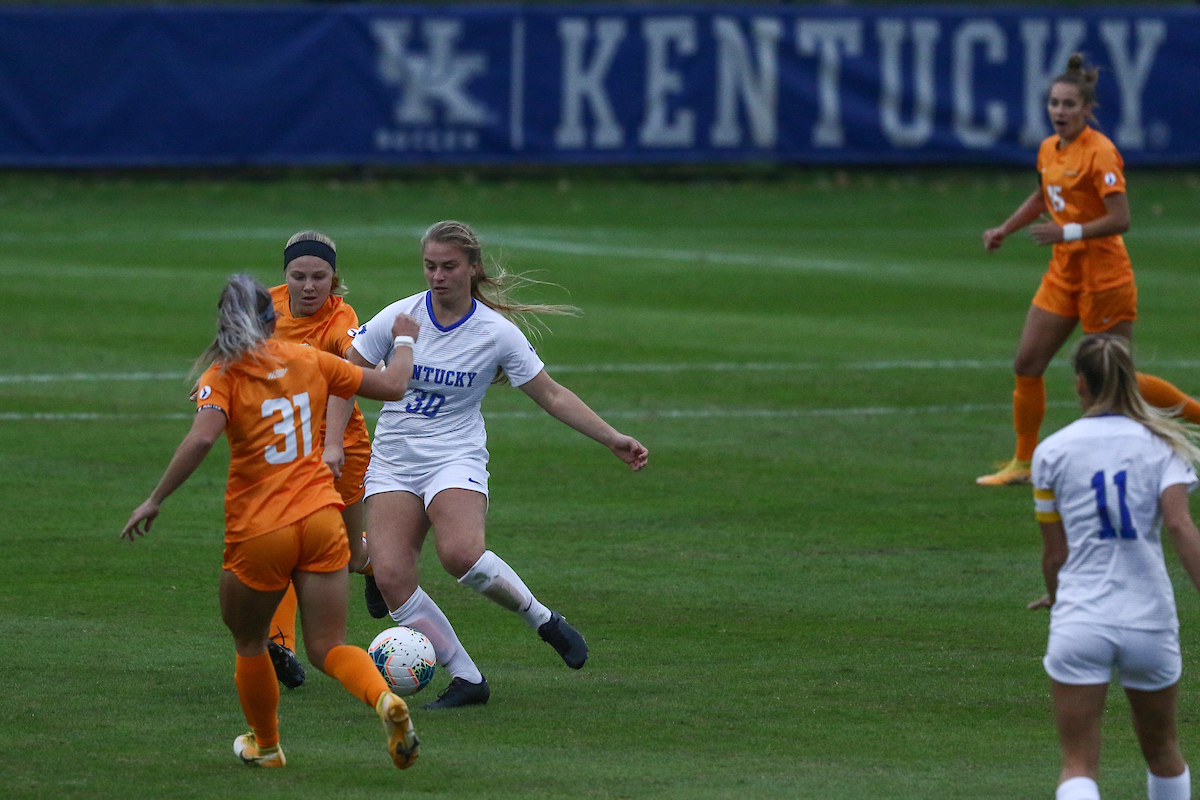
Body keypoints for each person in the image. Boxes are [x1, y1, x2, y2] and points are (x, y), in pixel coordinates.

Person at [325, 220, 648, 710]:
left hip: (454, 456)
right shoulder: (400, 317)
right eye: (430, 266)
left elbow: (553, 394)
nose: (437, 276)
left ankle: (544, 620)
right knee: (390, 576)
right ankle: (467, 678)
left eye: (449, 266)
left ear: (473, 268)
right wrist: (332, 446)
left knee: (461, 553)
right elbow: (344, 376)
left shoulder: (495, 332)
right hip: (394, 461)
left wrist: (612, 438)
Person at [121, 274, 421, 769]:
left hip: (261, 529)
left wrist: (154, 499)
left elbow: (199, 441)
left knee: (249, 641)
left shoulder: (222, 375)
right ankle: (385, 700)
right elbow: (392, 385)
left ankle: (266, 747)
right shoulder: (307, 358)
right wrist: (405, 338)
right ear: (271, 319)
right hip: (322, 519)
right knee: (328, 646)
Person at [977, 53, 1200, 486]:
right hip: (1064, 273)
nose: (1059, 111)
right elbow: (1044, 196)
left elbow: (1121, 219)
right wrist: (1004, 228)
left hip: (1104, 277)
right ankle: (1023, 463)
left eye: (1068, 105)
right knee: (1027, 362)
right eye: (1054, 104)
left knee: (1117, 378)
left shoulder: (1101, 152)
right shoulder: (1049, 149)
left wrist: (1067, 233)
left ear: (1087, 110)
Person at [1028, 334, 1200, 800]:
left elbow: (1055, 555)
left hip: (1081, 618)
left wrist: (1058, 596)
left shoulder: (1052, 452)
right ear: (1132, 381)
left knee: (1079, 764)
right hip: (1149, 618)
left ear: (1080, 384)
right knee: (1163, 751)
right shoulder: (1164, 444)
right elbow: (1181, 529)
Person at [261, 231, 376, 691]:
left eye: (320, 277)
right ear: (285, 276)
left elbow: (351, 371)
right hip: (288, 447)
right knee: (286, 545)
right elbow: (237, 348)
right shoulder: (264, 307)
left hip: (340, 449)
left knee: (349, 556)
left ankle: (374, 566)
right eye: (299, 276)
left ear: (334, 278)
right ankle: (280, 646)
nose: (309, 286)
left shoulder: (341, 318)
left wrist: (331, 449)